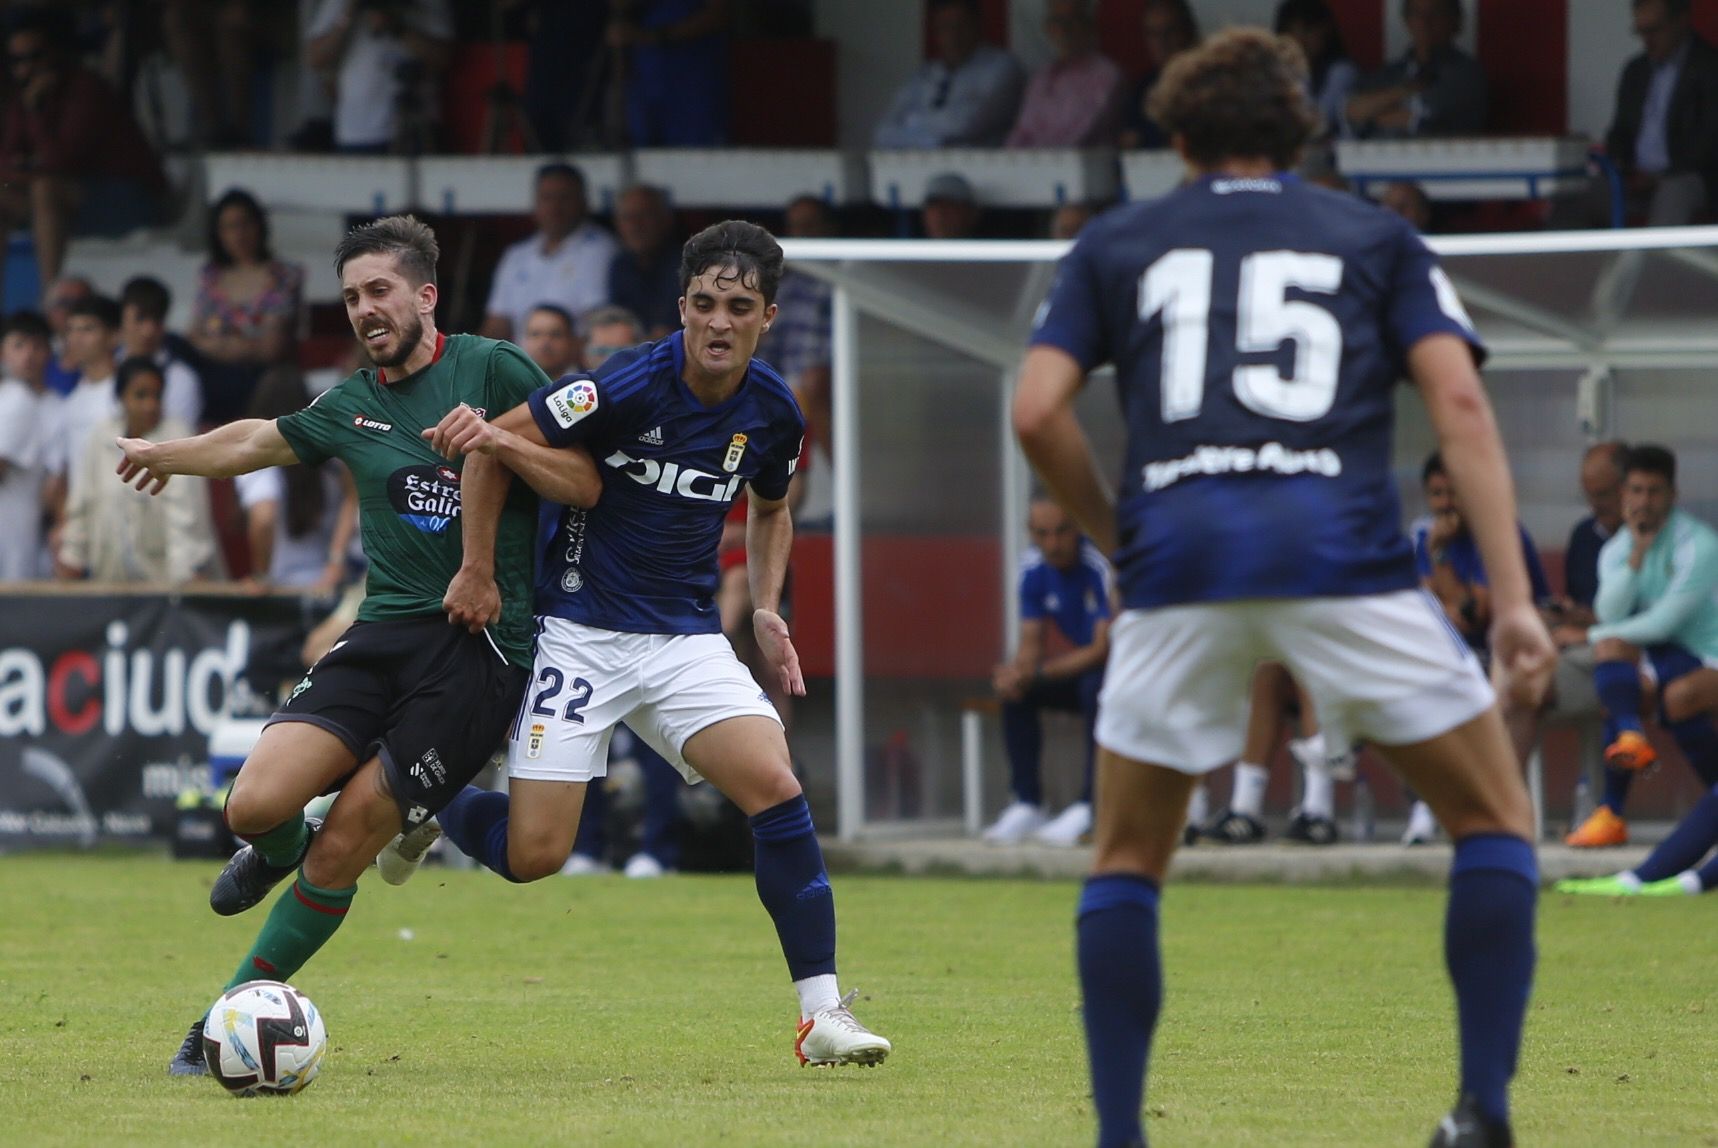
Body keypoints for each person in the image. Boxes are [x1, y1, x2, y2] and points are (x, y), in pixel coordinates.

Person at [1014, 29, 1550, 1148]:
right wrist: (1509, 600)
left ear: (1173, 139)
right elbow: (1458, 407)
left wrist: (1123, 533)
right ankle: (1482, 1111)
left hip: (1178, 570)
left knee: (1125, 861)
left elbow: (1034, 411)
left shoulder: (1116, 242)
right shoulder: (1375, 236)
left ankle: (1120, 1133)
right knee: (1493, 820)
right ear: (1303, 131)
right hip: (1342, 557)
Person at [390, 219, 892, 1068]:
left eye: (739, 306)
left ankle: (822, 1015)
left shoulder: (772, 410)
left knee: (775, 785)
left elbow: (772, 508)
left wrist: (766, 607)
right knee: (534, 854)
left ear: (767, 316)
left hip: (685, 640)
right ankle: (427, 805)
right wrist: (478, 568)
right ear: (683, 306)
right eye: (704, 303)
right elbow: (488, 450)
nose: (718, 323)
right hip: (579, 637)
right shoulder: (619, 384)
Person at [115, 215, 564, 1076]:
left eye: (380, 290)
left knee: (345, 841)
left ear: (426, 295)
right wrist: (164, 454)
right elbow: (256, 438)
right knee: (251, 806)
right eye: (352, 295)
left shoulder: (495, 367)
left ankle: (217, 1025)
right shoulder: (351, 402)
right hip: (383, 631)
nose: (364, 308)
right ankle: (278, 848)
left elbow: (577, 466)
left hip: (482, 652)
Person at [1551, 445, 1718, 849]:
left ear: (1672, 495)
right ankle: (1612, 811)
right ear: (1625, 494)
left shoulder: (1699, 545)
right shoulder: (1619, 548)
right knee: (1618, 670)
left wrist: (1586, 636)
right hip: (1664, 654)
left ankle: (1705, 797)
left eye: (1654, 491)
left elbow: (1665, 623)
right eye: (1637, 491)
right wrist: (1637, 553)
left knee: (1672, 695)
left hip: (1705, 652)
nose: (1644, 501)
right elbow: (1611, 611)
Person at [1405, 450, 1552, 844]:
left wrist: (1439, 558)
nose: (1446, 504)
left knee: (1493, 681)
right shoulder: (1421, 533)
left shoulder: (1499, 532)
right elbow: (1427, 612)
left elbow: (1471, 615)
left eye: (1454, 493)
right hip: (1448, 649)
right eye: (1437, 495)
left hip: (1503, 646)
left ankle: (1491, 808)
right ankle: (1423, 808)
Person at [0, 12, 167, 288]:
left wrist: (35, 113)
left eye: (35, 56)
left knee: (45, 189)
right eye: (18, 60)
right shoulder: (25, 95)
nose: (26, 68)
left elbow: (59, 162)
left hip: (131, 198)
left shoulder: (86, 89)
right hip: (76, 199)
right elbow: (6, 160)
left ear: (55, 53)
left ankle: (52, 298)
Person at [984, 496, 1111, 847]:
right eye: (1042, 534)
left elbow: (1103, 651)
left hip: (1127, 675)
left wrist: (1039, 672)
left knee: (1095, 689)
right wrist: (1017, 674)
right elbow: (1031, 641)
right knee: (1017, 692)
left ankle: (1091, 805)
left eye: (1061, 532)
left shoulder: (1100, 566)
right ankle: (1027, 802)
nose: (1053, 544)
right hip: (1086, 672)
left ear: (1078, 528)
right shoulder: (1031, 569)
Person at [57, 357, 217, 584]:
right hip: (108, 582)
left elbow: (186, 517)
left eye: (157, 396)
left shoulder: (178, 437)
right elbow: (83, 502)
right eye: (141, 395)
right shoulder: (102, 436)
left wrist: (184, 580)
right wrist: (72, 556)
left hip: (167, 586)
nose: (151, 405)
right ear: (121, 397)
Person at [1565, 0, 1718, 229]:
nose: (1647, 40)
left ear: (1681, 21)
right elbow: (1619, 131)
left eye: (1654, 30)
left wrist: (1659, 175)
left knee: (1674, 193)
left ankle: (1652, 265)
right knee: (1576, 193)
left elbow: (1708, 143)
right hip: (1636, 178)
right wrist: (1621, 165)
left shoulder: (1709, 67)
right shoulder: (1635, 71)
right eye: (1640, 31)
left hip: (1688, 177)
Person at [233, 369, 360, 594]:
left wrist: (261, 575)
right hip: (328, 583)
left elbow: (263, 518)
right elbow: (353, 498)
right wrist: (335, 562)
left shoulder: (260, 465)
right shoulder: (328, 460)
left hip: (281, 590)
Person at [191, 188, 307, 424]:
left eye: (244, 224)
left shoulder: (283, 275)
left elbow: (270, 348)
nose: (238, 235)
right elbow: (193, 337)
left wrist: (217, 344)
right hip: (214, 377)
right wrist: (244, 344)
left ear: (259, 225)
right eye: (228, 227)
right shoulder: (211, 276)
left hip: (262, 378)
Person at [481, 163, 619, 345]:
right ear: (536, 203)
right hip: (519, 363)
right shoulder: (517, 254)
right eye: (547, 198)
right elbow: (497, 324)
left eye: (564, 198)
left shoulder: (601, 249)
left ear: (583, 202)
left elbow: (597, 325)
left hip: (575, 367)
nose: (555, 207)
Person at [305, 0, 453, 153]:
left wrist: (397, 27)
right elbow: (315, 58)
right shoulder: (339, 4)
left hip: (415, 129)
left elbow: (444, 59)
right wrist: (349, 12)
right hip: (358, 133)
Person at [873, 0, 1025, 149]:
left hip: (979, 169)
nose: (953, 36)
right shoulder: (923, 74)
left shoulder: (1001, 67)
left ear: (977, 25)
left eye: (961, 26)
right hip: (920, 169)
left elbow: (965, 125)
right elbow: (883, 134)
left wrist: (913, 121)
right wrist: (934, 141)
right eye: (945, 27)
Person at [1345, 0, 1486, 139]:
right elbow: (1354, 112)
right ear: (1406, 21)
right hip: (1378, 157)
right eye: (1416, 13)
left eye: (1436, 13)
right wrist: (1404, 91)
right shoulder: (1390, 73)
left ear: (1455, 20)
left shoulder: (1467, 74)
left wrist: (1411, 120)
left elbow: (1459, 128)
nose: (1424, 22)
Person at [608, 0, 733, 147]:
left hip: (691, 86)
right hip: (644, 87)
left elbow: (718, 15)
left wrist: (653, 36)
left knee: (695, 157)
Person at [1005, 0, 1127, 149]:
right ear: (1048, 28)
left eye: (1072, 21)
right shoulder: (1042, 77)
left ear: (1088, 24)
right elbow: (1022, 132)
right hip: (1035, 167)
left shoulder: (1106, 75)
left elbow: (1081, 134)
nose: (1064, 30)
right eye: (1058, 22)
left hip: (1084, 168)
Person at [0, 311, 53, 580]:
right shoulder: (10, 396)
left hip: (12, 539)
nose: (28, 355)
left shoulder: (18, 399)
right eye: (19, 345)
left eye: (36, 346)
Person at [119, 276, 202, 431]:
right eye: (140, 318)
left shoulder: (182, 379)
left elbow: (179, 440)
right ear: (121, 318)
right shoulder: (106, 369)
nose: (148, 330)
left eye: (157, 320)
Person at [1117, 0, 1200, 149]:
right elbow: (1127, 144)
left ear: (1188, 31)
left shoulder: (1211, 84)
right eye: (1153, 34)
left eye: (1169, 31)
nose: (1162, 41)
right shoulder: (1143, 89)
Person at [1275, 0, 1358, 140]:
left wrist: (1298, 72)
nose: (1300, 41)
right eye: (1292, 32)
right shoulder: (1273, 72)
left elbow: (1318, 124)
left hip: (1332, 156)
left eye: (1307, 31)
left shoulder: (1342, 71)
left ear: (1325, 31)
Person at [606, 184, 681, 339]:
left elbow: (667, 332)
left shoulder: (688, 264)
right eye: (628, 218)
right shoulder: (620, 265)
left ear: (666, 219)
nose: (636, 225)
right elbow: (616, 323)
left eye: (645, 216)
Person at [520, 304, 583, 380]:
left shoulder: (590, 385)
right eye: (535, 334)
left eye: (555, 335)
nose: (544, 344)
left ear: (573, 341)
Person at [921, 172, 982, 241]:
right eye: (933, 206)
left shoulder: (986, 249)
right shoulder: (911, 248)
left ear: (971, 213)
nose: (940, 214)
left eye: (948, 206)